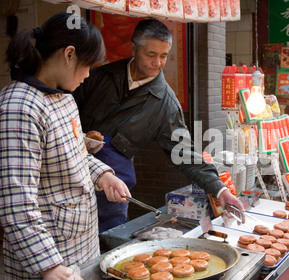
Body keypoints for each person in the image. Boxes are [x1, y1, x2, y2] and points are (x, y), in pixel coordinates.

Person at [0, 12, 131, 280]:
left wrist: (104, 174)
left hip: (82, 249)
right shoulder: (19, 107)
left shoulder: (64, 98)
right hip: (47, 262)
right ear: (69, 54)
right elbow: (15, 201)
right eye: (88, 66)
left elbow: (75, 152)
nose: (88, 76)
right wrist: (49, 265)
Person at [73, 18, 244, 232]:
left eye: (164, 56)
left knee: (108, 238)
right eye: (151, 55)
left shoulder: (165, 103)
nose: (158, 63)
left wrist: (221, 190)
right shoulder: (99, 76)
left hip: (114, 187)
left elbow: (185, 154)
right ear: (134, 48)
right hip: (71, 174)